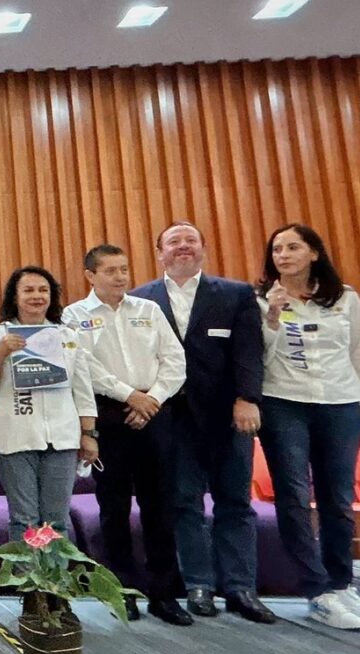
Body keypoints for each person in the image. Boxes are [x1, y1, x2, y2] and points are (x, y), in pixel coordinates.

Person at [130, 221, 276, 624]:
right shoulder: (139, 300)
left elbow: (249, 352)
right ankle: (198, 585)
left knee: (234, 502)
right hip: (171, 420)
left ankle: (240, 588)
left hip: (228, 416)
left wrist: (248, 398)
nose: (182, 247)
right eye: (173, 242)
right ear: (159, 253)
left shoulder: (235, 294)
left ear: (203, 249)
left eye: (190, 240)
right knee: (183, 503)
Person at [256, 223, 360, 630]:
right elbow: (260, 357)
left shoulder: (344, 298)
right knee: (293, 495)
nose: (283, 255)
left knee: (338, 500)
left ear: (313, 253)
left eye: (293, 247)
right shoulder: (261, 299)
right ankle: (317, 590)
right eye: (276, 250)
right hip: (284, 403)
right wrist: (271, 316)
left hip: (340, 404)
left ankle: (342, 583)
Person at [64, 245, 191, 626]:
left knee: (160, 507)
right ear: (90, 276)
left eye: (124, 269)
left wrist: (150, 399)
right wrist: (129, 396)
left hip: (155, 412)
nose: (120, 276)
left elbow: (175, 361)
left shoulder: (149, 311)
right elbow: (84, 366)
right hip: (109, 414)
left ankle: (164, 593)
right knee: (113, 509)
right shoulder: (75, 315)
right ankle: (122, 590)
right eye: (110, 270)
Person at [0, 266, 96, 547]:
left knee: (56, 519)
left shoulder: (67, 336)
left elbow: (83, 390)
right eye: (28, 290)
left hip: (62, 439)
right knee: (24, 519)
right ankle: (31, 589)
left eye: (43, 290)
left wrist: (89, 435)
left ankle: (56, 588)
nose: (37, 296)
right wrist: (1, 351)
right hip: (14, 440)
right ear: (14, 297)